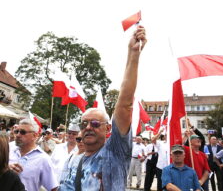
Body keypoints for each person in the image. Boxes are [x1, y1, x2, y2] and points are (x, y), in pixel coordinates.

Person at [59, 25, 147, 191]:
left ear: (108, 128)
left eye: (95, 123)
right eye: (84, 124)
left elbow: (124, 105)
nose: (88, 128)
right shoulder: (73, 160)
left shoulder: (115, 152)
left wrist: (133, 54)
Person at [9, 119, 58, 191]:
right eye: (16, 131)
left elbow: (53, 188)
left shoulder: (43, 159)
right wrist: (6, 170)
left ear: (34, 135)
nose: (18, 135)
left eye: (23, 132)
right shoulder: (8, 148)